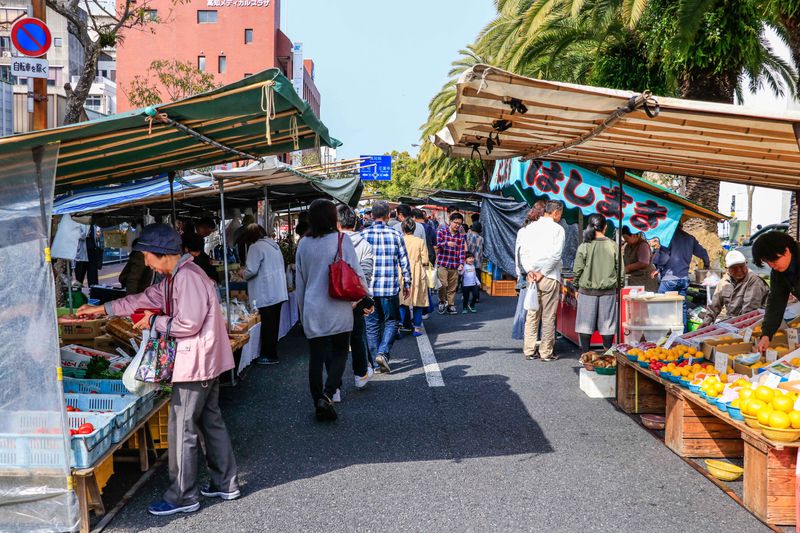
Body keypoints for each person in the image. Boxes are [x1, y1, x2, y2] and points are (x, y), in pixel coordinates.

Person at [76, 223, 239, 516]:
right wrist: (100, 310)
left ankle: (182, 497)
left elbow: (188, 324)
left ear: (160, 254)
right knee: (210, 422)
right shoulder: (177, 277)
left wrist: (154, 323)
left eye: (146, 256)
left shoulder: (186, 277)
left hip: (196, 364)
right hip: (207, 361)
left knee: (182, 429)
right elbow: (143, 299)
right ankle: (226, 483)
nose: (145, 261)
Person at [295, 199, 368, 420]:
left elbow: (300, 282)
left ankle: (318, 399)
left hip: (312, 306)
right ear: (332, 218)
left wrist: (301, 313)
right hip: (337, 305)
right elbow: (355, 271)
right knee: (339, 352)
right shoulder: (341, 239)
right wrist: (365, 295)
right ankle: (327, 394)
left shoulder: (303, 244)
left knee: (316, 356)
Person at [360, 200, 412, 373]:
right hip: (389, 288)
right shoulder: (396, 235)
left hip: (368, 290)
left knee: (372, 325)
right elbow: (404, 261)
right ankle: (383, 353)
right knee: (391, 321)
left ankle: (376, 364)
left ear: (372, 215)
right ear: (388, 215)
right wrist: (408, 282)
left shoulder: (363, 235)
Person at [517, 200, 565, 361]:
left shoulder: (530, 228)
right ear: (556, 212)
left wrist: (530, 271)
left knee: (532, 314)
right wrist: (542, 272)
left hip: (532, 276)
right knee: (548, 316)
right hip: (549, 277)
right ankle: (546, 352)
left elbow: (523, 252)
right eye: (560, 214)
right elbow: (556, 255)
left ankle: (529, 350)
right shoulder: (558, 229)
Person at [337, 204, 375, 389]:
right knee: (357, 336)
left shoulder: (332, 243)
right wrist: (363, 299)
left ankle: (334, 387)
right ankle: (360, 375)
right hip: (357, 298)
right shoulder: (366, 245)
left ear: (337, 223)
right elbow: (366, 275)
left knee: (336, 342)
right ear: (356, 223)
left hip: (334, 299)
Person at [241, 223, 288, 365]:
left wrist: (242, 272)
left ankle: (269, 355)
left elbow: (251, 270)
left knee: (268, 325)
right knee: (273, 324)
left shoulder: (255, 247)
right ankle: (272, 353)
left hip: (266, 292)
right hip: (278, 291)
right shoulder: (273, 245)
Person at [573, 214, 619, 353]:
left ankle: (586, 355)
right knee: (607, 325)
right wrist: (619, 286)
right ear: (605, 227)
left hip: (587, 291)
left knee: (585, 325)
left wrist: (576, 286)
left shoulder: (584, 245)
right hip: (609, 291)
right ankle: (607, 355)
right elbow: (620, 270)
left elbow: (577, 269)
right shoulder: (613, 245)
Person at [652, 224, 710, 326]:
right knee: (681, 308)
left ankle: (663, 332)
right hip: (683, 279)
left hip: (669, 280)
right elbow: (703, 253)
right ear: (681, 226)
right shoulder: (690, 238)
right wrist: (706, 264)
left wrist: (658, 268)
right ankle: (682, 333)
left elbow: (664, 257)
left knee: (661, 307)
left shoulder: (668, 238)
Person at [754, 231, 800, 353]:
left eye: (774, 260)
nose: (772, 265)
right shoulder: (778, 273)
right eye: (767, 261)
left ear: (786, 250)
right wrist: (766, 334)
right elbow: (776, 302)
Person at [703, 249, 769, 325]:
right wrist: (706, 322)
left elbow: (749, 312)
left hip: (753, 323)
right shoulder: (724, 281)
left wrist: (735, 326)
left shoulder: (754, 280)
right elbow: (714, 305)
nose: (739, 270)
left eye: (741, 266)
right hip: (734, 322)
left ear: (746, 264)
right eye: (734, 267)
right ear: (727, 269)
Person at [399, 218, 430, 336]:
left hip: (402, 271)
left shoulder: (400, 239)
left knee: (402, 301)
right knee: (418, 301)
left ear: (403, 228)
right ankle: (417, 328)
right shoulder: (420, 241)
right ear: (414, 229)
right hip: (417, 272)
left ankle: (400, 326)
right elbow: (425, 260)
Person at [436, 212, 467, 315]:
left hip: (454, 264)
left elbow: (462, 251)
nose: (457, 225)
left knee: (453, 287)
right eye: (455, 223)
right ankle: (442, 301)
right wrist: (446, 243)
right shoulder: (441, 232)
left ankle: (450, 305)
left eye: (459, 224)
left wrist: (461, 263)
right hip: (443, 263)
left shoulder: (461, 237)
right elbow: (436, 245)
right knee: (443, 285)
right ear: (450, 222)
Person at [621, 226, 658, 292]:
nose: (625, 241)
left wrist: (628, 268)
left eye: (626, 238)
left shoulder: (643, 245)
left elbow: (644, 262)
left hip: (645, 281)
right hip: (633, 281)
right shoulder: (627, 246)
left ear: (633, 235)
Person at [75, 223, 100, 287]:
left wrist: (97, 236)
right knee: (79, 278)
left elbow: (95, 237)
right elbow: (76, 235)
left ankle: (94, 294)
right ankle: (78, 294)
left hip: (92, 253)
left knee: (93, 279)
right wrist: (86, 234)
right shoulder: (79, 223)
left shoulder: (93, 224)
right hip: (81, 254)